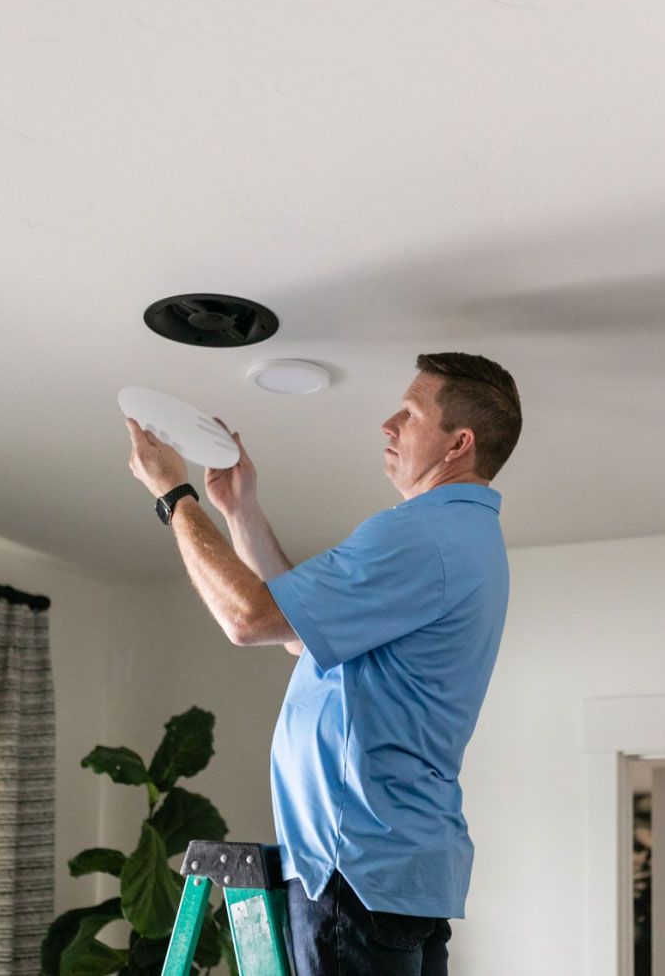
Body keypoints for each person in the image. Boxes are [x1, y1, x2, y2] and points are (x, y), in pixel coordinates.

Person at [126, 352, 522, 975]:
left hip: (353, 868)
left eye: (411, 413)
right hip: (398, 868)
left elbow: (248, 619)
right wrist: (239, 509)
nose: (389, 424)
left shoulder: (418, 536)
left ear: (459, 444)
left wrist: (174, 497)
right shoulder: (466, 539)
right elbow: (299, 635)